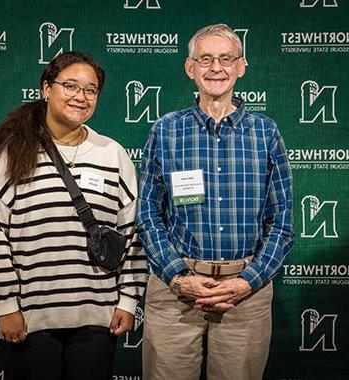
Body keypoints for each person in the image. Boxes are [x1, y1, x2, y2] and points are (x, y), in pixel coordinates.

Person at [0, 51, 148, 380]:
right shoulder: (12, 152)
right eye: (70, 86)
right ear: (46, 88)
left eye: (90, 90)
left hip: (97, 319)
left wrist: (127, 300)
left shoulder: (112, 154)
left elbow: (132, 232)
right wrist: (5, 306)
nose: (80, 97)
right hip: (29, 320)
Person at [136, 24, 295, 380]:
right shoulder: (166, 130)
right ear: (190, 68)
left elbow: (282, 222)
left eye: (226, 59)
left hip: (245, 294)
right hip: (175, 292)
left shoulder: (266, 132)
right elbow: (147, 212)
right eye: (205, 59)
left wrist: (247, 281)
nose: (216, 68)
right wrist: (178, 278)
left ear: (241, 66)